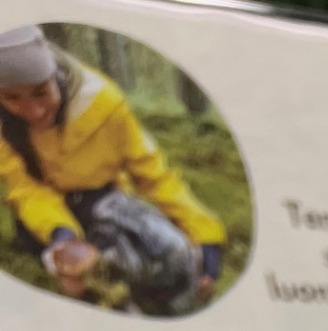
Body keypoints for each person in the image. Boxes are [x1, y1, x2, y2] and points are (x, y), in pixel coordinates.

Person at [0, 26, 225, 315]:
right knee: (81, 281)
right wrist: (61, 235)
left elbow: (154, 175)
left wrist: (205, 232)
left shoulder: (103, 104)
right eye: (11, 98)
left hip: (103, 199)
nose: (34, 111)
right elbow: (26, 189)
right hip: (43, 219)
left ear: (56, 77)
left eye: (41, 93)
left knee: (173, 252)